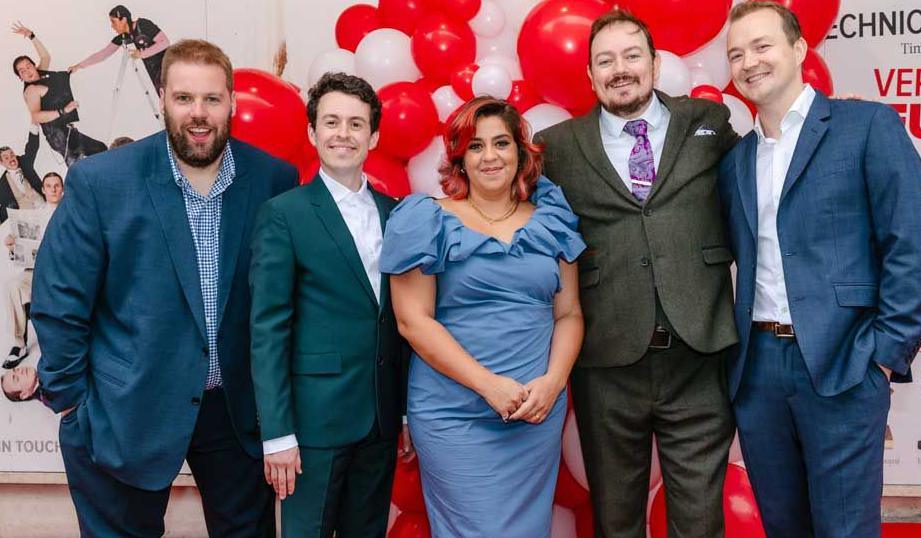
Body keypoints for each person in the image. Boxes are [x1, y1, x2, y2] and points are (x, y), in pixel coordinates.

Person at [32, 39, 297, 537]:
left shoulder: (273, 180)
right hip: (127, 406)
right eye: (183, 98)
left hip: (235, 412)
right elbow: (59, 295)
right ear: (162, 99)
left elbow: (288, 299)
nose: (198, 114)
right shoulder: (101, 180)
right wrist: (70, 400)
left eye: (212, 99)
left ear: (232, 102)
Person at [718, 3, 921, 536]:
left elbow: (910, 240)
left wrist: (884, 354)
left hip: (845, 363)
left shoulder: (866, 126)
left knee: (845, 528)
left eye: (762, 45)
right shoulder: (734, 161)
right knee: (784, 525)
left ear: (798, 50)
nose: (749, 61)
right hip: (759, 371)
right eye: (736, 53)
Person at [533, 9, 739, 536]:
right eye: (605, 61)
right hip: (606, 360)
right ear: (590, 75)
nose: (619, 69)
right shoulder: (556, 147)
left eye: (631, 56)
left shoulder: (708, 124)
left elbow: (767, 173)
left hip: (699, 352)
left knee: (699, 520)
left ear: (655, 63)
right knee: (616, 519)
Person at [381, 96, 586, 536]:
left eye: (501, 143)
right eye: (475, 146)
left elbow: (568, 313)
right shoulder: (426, 218)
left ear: (520, 152)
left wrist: (552, 384)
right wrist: (488, 386)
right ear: (459, 159)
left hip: (535, 411)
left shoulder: (552, 219)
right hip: (455, 413)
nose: (490, 156)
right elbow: (413, 321)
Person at [249, 72, 409, 537]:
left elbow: (401, 318)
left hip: (380, 418)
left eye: (356, 124)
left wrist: (401, 412)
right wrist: (277, 434)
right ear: (312, 132)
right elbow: (267, 330)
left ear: (373, 136)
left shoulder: (395, 212)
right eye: (332, 122)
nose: (344, 134)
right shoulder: (284, 214)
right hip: (312, 425)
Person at [12, 22, 107, 167]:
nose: (27, 71)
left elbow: (45, 56)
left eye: (28, 66)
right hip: (56, 134)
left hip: (67, 129)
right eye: (22, 71)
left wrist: (31, 35)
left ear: (34, 66)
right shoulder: (31, 90)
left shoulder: (41, 73)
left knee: (101, 149)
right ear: (20, 77)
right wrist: (63, 110)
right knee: (79, 166)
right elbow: (36, 116)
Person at [1, 171, 62, 369]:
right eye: (49, 186)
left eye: (57, 185)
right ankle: (19, 344)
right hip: (35, 270)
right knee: (13, 286)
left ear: (63, 189)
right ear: (43, 190)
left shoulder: (73, 212)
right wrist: (12, 247)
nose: (53, 189)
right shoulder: (34, 215)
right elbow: (21, 251)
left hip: (62, 272)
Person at [68, 5, 170, 95]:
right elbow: (103, 54)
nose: (112, 26)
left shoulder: (143, 24)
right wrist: (79, 66)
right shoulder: (124, 37)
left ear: (124, 19)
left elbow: (165, 42)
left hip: (169, 67)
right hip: (155, 75)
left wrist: (141, 54)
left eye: (113, 22)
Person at [0, 125, 45, 223]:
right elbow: (4, 209)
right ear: (2, 163)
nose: (11, 159)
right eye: (6, 157)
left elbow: (32, 147)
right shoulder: (2, 185)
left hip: (44, 207)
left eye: (12, 154)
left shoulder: (25, 162)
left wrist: (34, 124)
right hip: (27, 220)